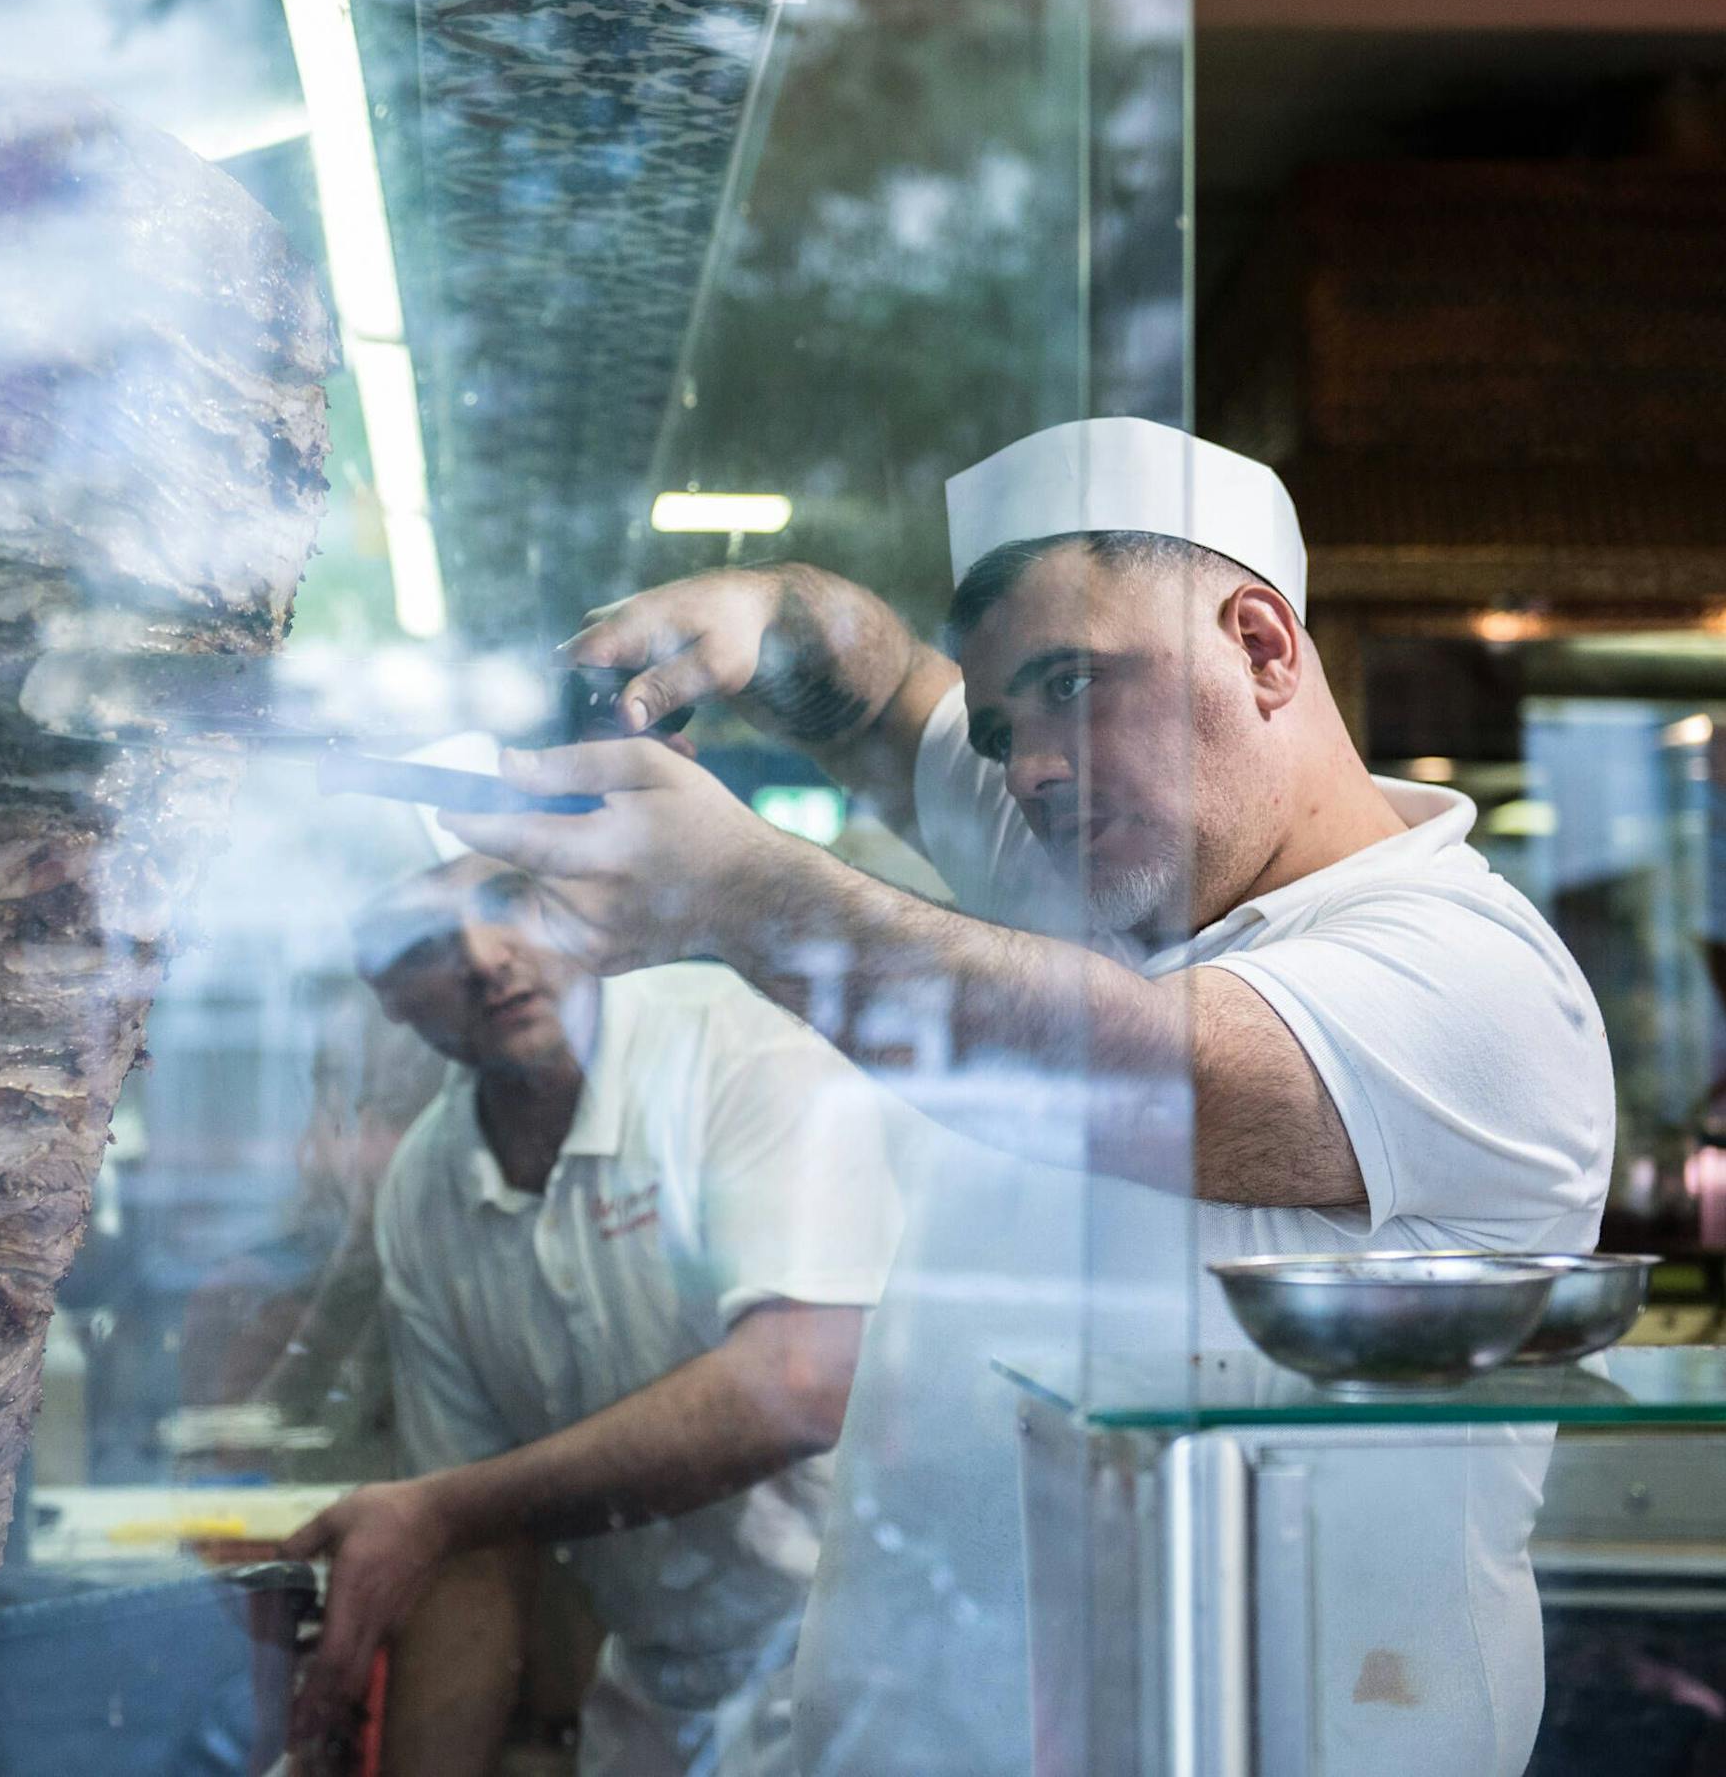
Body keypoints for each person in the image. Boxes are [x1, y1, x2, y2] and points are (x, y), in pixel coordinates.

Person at [447, 417, 1617, 1775]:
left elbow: (1131, 1070)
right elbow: (883, 692)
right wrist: (763, 611)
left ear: (1261, 644)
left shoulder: (1467, 974)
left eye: (1075, 683)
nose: (1032, 766)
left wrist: (738, 889)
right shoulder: (1091, 858)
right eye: (1008, 728)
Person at [288, 852, 903, 1777]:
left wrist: (443, 1509)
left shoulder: (727, 1043)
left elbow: (801, 1381)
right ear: (388, 993)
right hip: (664, 1701)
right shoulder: (425, 1191)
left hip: (879, 1677)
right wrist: (444, 1519)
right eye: (426, 942)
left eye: (507, 899)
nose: (489, 957)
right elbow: (472, 1563)